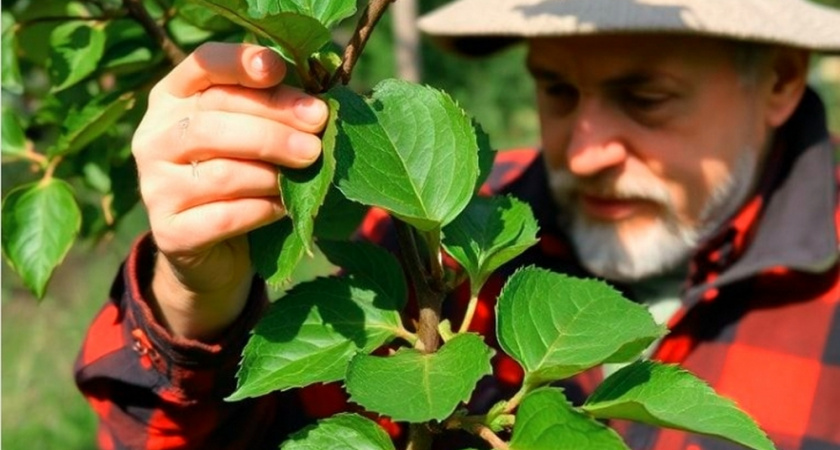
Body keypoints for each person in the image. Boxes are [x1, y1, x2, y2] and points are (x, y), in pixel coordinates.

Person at [75, 0, 840, 448]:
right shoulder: (450, 229)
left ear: (776, 79)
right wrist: (194, 301)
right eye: (556, 91)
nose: (583, 150)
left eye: (645, 100)